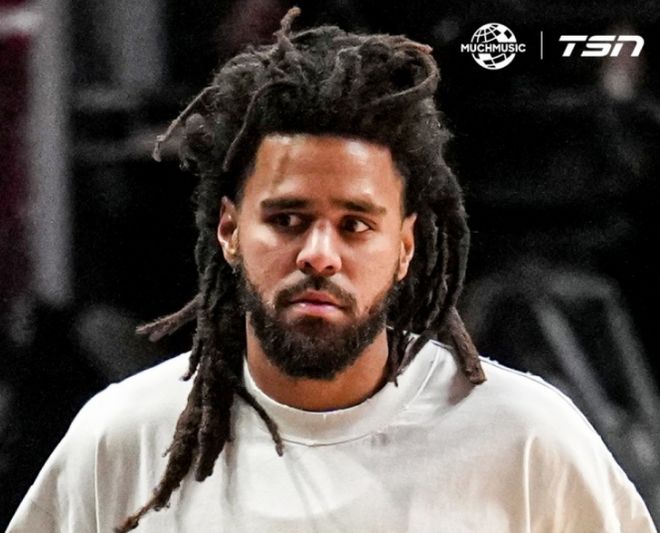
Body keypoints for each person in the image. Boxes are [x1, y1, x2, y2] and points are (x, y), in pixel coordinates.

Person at [7, 8, 657, 533]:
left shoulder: (526, 439)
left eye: (355, 224)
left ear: (405, 247)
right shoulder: (123, 439)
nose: (319, 254)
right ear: (229, 231)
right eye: (288, 218)